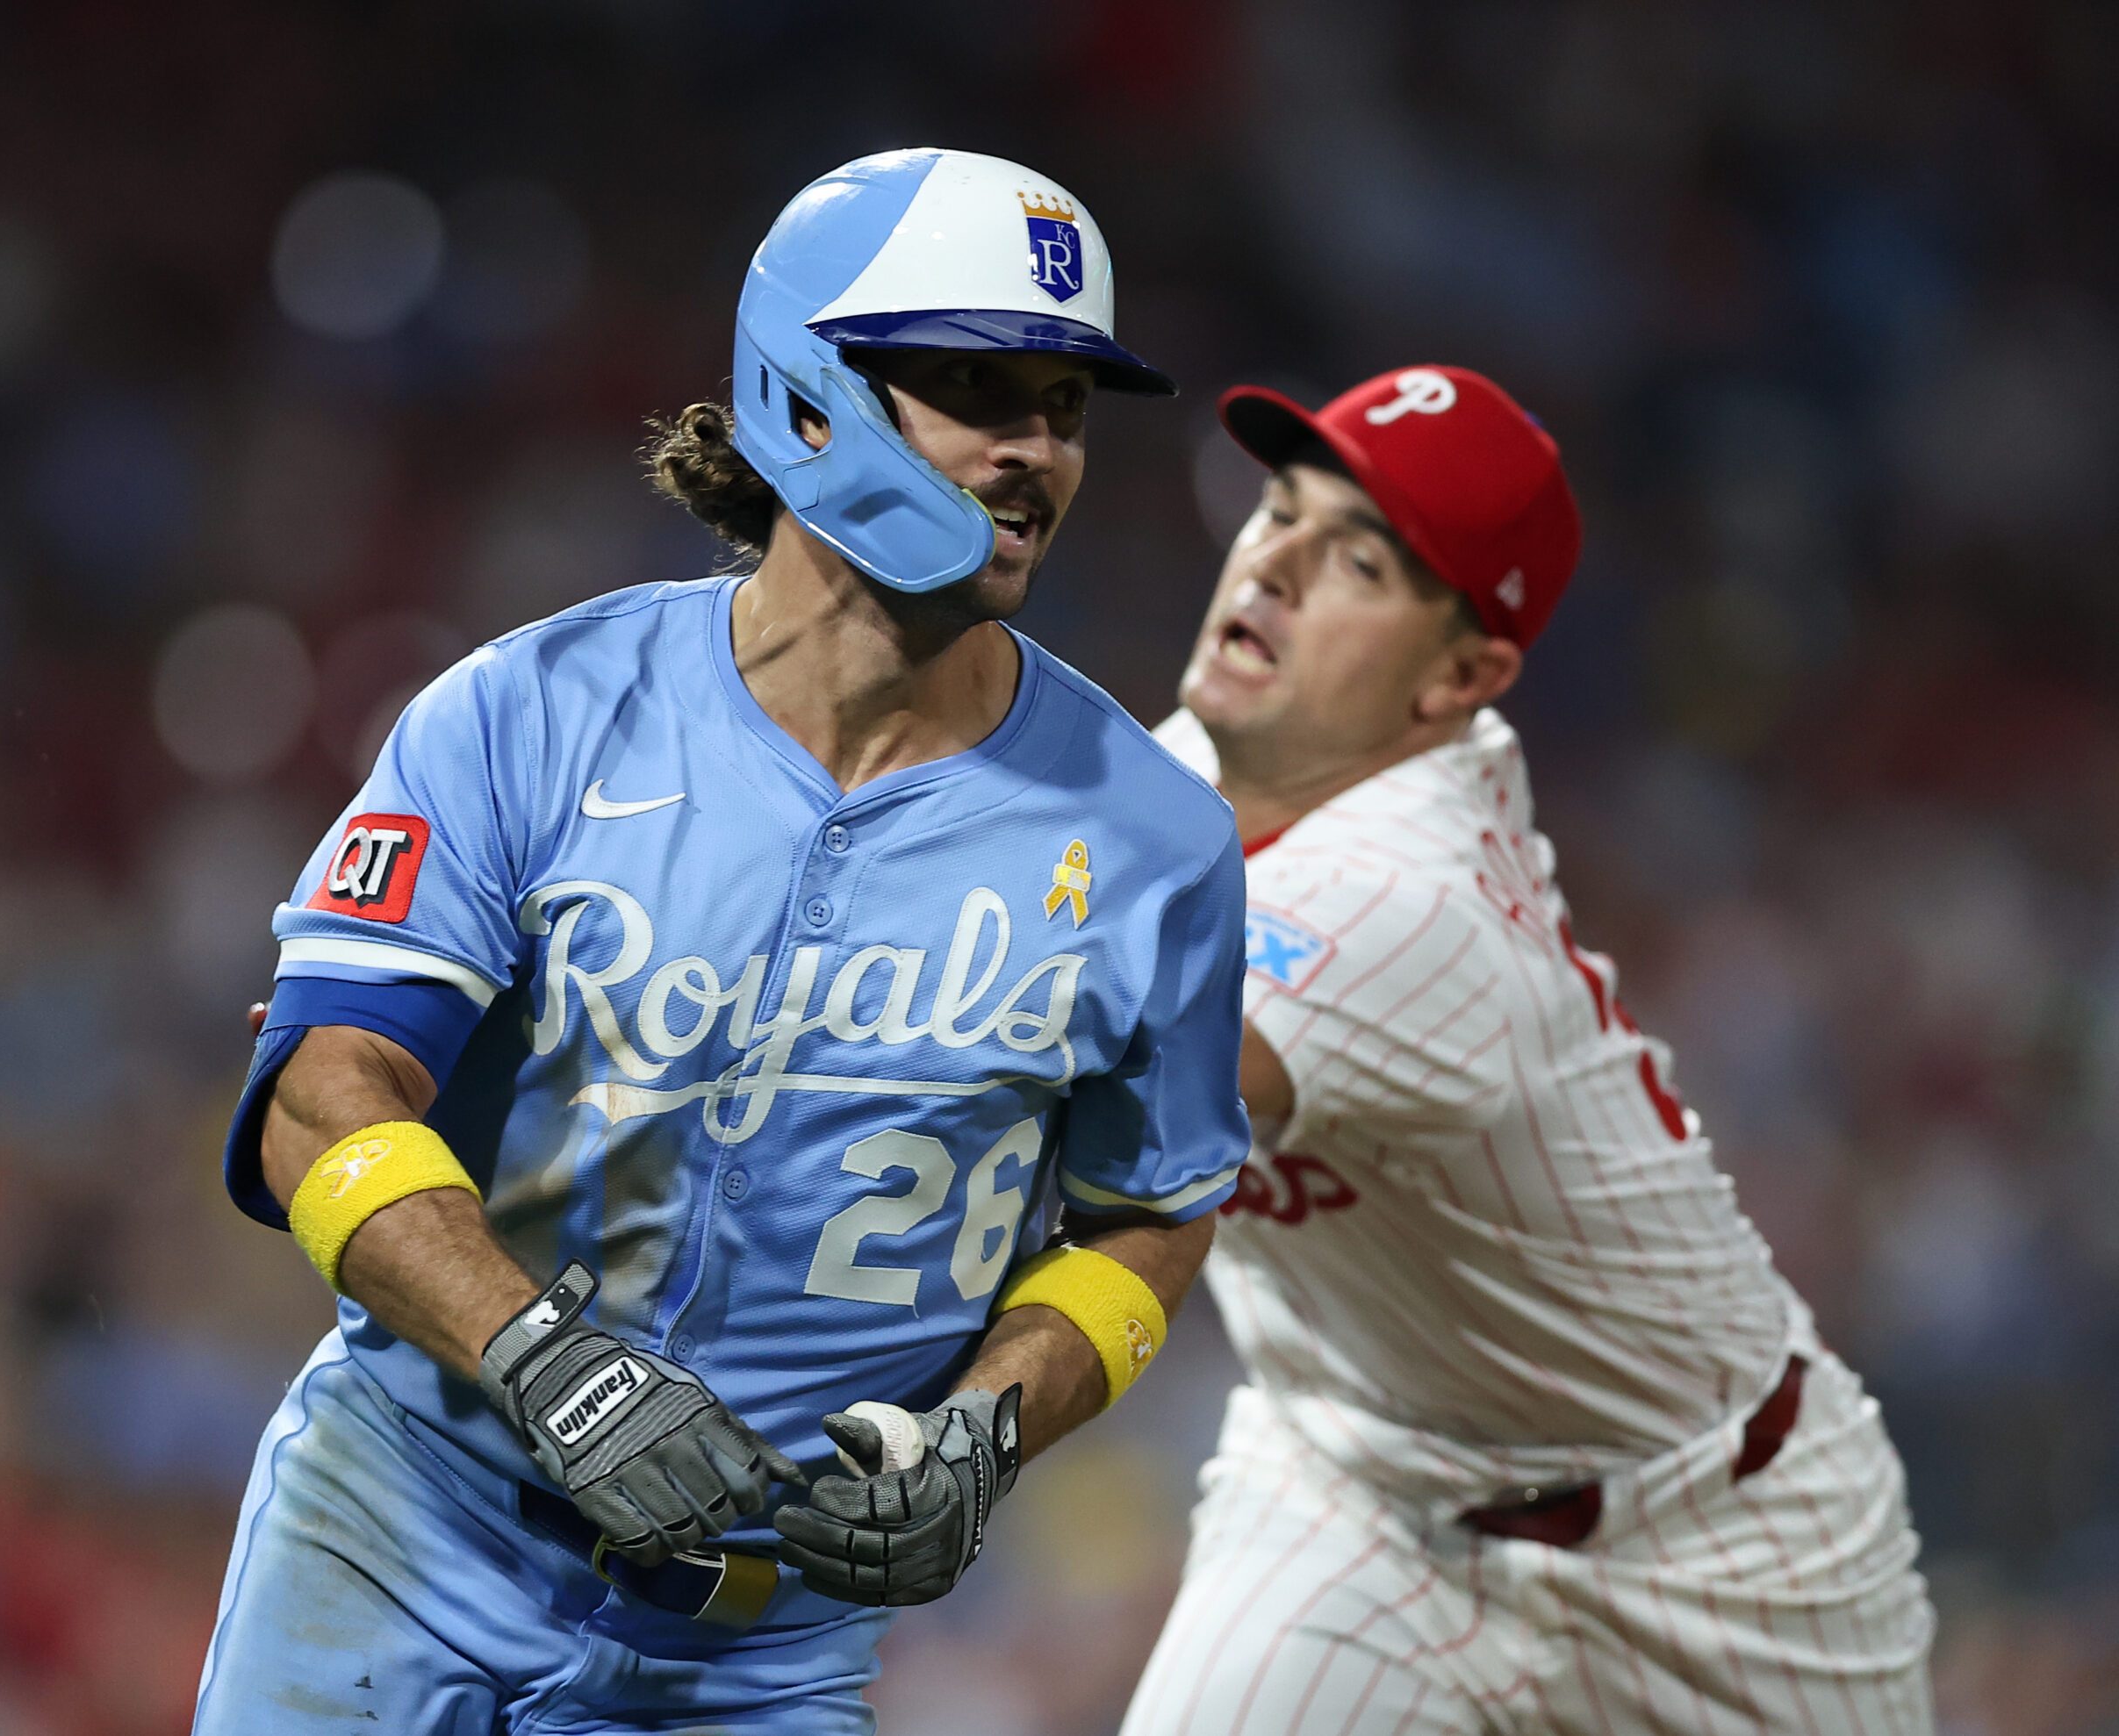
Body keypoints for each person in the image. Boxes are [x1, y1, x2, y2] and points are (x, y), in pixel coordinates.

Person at [193, 147, 1250, 1735]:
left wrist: (985, 1429)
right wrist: (539, 1355)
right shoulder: (529, 711)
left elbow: (1152, 1216)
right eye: (978, 388)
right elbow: (318, 1094)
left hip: (763, 1654)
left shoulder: (1158, 841)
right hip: (404, 1537)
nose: (1035, 451)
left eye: (1067, 408)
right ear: (805, 391)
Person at [1123, 365, 1935, 1733]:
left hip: (1724, 1560)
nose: (1279, 564)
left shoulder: (1409, 895)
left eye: (1361, 560)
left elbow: (1092, 1074)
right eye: (1279, 510)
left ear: (1463, 674)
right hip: (1356, 1492)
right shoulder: (1172, 772)